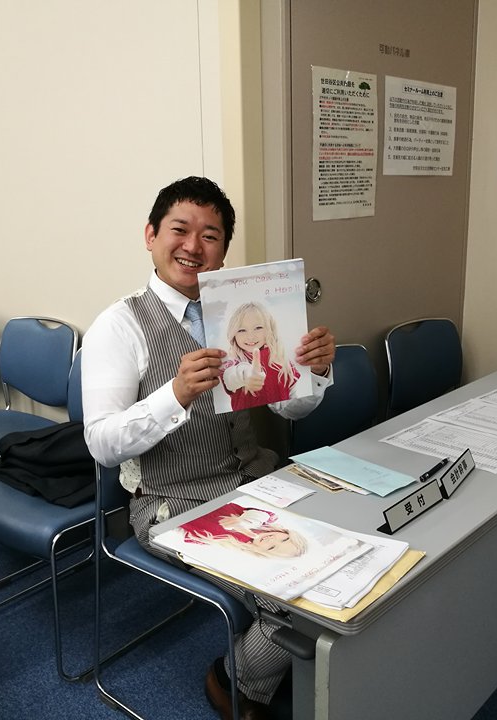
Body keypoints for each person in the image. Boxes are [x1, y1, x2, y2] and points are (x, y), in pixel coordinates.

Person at [81, 176, 335, 720]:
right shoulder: (119, 325)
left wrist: (311, 373)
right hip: (174, 502)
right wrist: (173, 395)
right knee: (298, 602)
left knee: (349, 554)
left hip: (258, 480)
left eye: (211, 236)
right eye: (180, 229)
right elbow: (101, 444)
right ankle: (233, 680)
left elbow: (289, 411)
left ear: (223, 251)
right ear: (151, 236)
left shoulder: (242, 312)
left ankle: (295, 667)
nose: (193, 246)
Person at [221, 302, 300, 410]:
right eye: (242, 330)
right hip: (247, 419)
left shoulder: (282, 361)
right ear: (233, 334)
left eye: (258, 328)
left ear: (269, 329)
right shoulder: (233, 362)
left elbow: (294, 400)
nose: (250, 336)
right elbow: (230, 378)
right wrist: (245, 375)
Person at [180, 501, 309, 558]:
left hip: (181, 511)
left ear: (259, 551)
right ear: (285, 532)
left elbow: (183, 534)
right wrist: (244, 522)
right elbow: (259, 514)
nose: (272, 540)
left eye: (271, 547)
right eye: (285, 540)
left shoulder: (225, 542)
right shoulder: (267, 519)